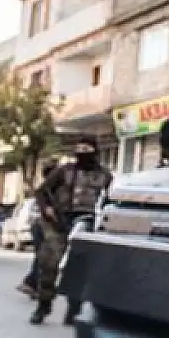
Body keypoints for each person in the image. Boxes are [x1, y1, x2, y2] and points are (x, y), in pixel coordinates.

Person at [31, 136, 112, 325]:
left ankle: (74, 309)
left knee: (79, 269)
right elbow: (42, 191)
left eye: (86, 149)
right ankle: (43, 305)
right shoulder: (64, 171)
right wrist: (47, 209)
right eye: (79, 149)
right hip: (59, 223)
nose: (82, 153)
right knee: (49, 263)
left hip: (87, 226)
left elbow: (110, 200)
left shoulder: (105, 176)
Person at [16, 158, 59, 299]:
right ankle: (33, 284)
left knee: (42, 256)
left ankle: (33, 285)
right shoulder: (52, 189)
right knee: (45, 257)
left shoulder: (45, 188)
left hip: (38, 225)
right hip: (45, 226)